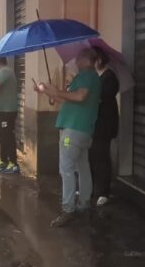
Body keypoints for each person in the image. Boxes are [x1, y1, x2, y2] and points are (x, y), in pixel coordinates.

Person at [37, 48, 101, 227]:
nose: (76, 61)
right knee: (82, 166)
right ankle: (84, 202)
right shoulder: (86, 77)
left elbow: (80, 96)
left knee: (66, 169)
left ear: (87, 60)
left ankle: (68, 209)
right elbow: (68, 100)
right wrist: (49, 91)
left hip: (72, 131)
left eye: (78, 58)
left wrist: (57, 91)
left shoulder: (88, 75)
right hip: (81, 130)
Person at [89, 48, 120, 207]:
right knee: (92, 155)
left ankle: (104, 192)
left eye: (93, 59)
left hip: (105, 123)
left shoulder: (109, 77)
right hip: (95, 122)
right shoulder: (96, 76)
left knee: (102, 156)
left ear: (100, 59)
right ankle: (93, 187)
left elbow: (102, 98)